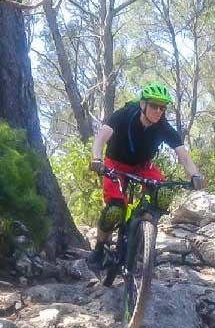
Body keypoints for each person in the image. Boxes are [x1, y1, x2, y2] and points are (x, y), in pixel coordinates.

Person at [87, 82, 205, 275]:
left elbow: (183, 155)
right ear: (143, 104)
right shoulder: (123, 115)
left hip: (143, 166)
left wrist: (195, 175)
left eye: (162, 108)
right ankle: (99, 250)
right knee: (114, 211)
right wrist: (97, 160)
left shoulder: (164, 127)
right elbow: (101, 138)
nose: (158, 111)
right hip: (114, 164)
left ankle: (145, 231)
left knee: (164, 191)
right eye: (154, 106)